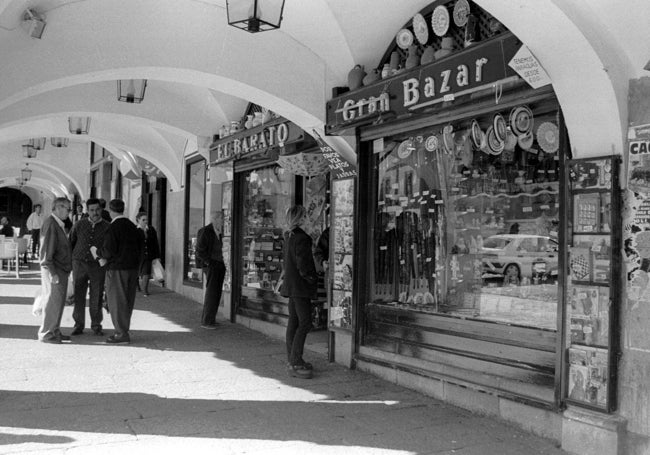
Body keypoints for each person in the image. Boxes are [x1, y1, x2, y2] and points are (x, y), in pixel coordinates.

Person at [93, 199, 142, 344]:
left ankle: (121, 334)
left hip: (117, 270)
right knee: (128, 300)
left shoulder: (113, 228)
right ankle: (124, 329)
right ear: (123, 209)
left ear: (109, 210)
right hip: (132, 269)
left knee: (116, 301)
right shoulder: (133, 226)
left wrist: (98, 252)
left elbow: (108, 250)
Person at [281, 205, 319, 379]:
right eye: (306, 216)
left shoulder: (289, 236)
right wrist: (311, 278)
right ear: (301, 218)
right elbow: (303, 263)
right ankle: (296, 361)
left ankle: (292, 359)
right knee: (305, 323)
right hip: (300, 287)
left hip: (291, 285)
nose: (308, 219)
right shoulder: (303, 238)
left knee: (294, 322)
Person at [69, 198, 110, 336]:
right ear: (87, 211)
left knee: (97, 295)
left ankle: (96, 325)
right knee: (78, 294)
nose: (95, 213)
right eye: (92, 210)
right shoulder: (79, 224)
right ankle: (78, 325)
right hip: (79, 263)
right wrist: (71, 262)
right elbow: (71, 242)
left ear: (101, 210)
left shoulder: (107, 227)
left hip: (97, 266)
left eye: (97, 210)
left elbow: (109, 247)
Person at [37, 197, 73, 344]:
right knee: (52, 301)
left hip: (60, 269)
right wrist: (53, 273)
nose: (69, 212)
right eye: (67, 209)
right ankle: (47, 333)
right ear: (58, 208)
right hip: (55, 270)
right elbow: (46, 253)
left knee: (57, 302)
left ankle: (54, 330)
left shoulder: (57, 224)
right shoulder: (51, 224)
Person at [196, 211, 226, 329]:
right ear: (216, 219)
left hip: (219, 264)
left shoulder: (219, 231)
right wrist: (209, 262)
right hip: (211, 265)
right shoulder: (205, 231)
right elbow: (200, 251)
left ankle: (211, 319)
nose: (223, 221)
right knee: (212, 292)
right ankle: (207, 321)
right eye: (222, 219)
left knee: (217, 292)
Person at [135, 212, 161, 296]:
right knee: (136, 273)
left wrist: (157, 256)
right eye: (143, 220)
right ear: (138, 220)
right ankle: (137, 286)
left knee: (146, 273)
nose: (145, 221)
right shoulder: (135, 230)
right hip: (138, 255)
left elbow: (155, 243)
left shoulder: (151, 229)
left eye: (146, 219)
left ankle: (144, 290)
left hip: (148, 255)